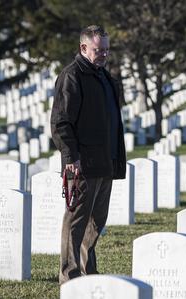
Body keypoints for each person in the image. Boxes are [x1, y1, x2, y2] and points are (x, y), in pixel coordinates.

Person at [50, 25, 126, 284]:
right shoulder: (72, 76)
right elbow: (61, 121)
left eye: (106, 49)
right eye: (98, 50)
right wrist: (71, 158)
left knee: (97, 222)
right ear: (83, 48)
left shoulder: (104, 77)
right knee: (76, 221)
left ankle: (87, 271)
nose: (104, 54)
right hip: (82, 164)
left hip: (105, 162)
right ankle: (69, 275)